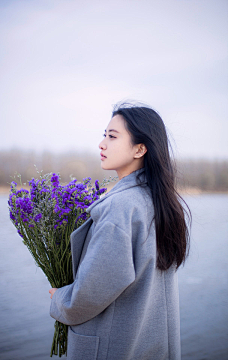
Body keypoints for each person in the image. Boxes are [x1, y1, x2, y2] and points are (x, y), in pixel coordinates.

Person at [49, 102, 191, 360]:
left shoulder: (120, 206)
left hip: (115, 348)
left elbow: (93, 292)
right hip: (150, 345)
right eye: (104, 135)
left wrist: (60, 298)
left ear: (140, 148)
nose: (102, 144)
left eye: (112, 136)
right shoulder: (159, 200)